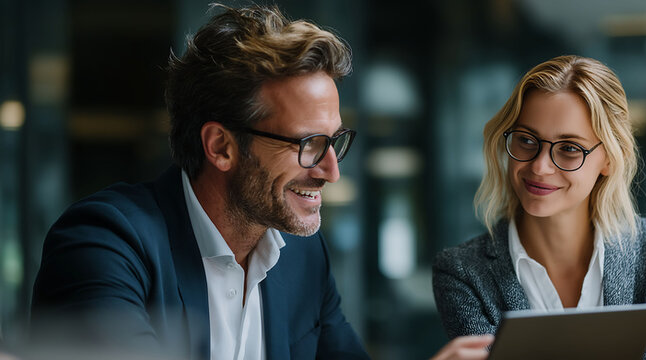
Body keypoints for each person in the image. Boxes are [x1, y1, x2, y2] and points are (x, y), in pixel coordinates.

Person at [29, 4, 491, 360]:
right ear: (221, 147)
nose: (331, 170)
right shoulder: (105, 243)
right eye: (308, 143)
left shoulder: (303, 257)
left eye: (335, 141)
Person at [432, 55, 646, 358]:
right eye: (526, 140)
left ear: (611, 159)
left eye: (569, 148)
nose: (540, 167)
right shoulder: (463, 272)